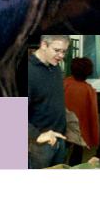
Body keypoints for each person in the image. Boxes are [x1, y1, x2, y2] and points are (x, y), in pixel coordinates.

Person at [27, 30, 71, 168]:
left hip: (60, 138)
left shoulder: (55, 67)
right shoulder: (27, 71)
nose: (61, 56)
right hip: (39, 143)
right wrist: (35, 135)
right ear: (44, 45)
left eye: (64, 51)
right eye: (57, 50)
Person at [63, 56, 100, 165]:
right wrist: (94, 137)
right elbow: (93, 115)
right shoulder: (89, 90)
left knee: (61, 154)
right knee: (77, 155)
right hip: (80, 130)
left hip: (62, 126)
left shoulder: (64, 83)